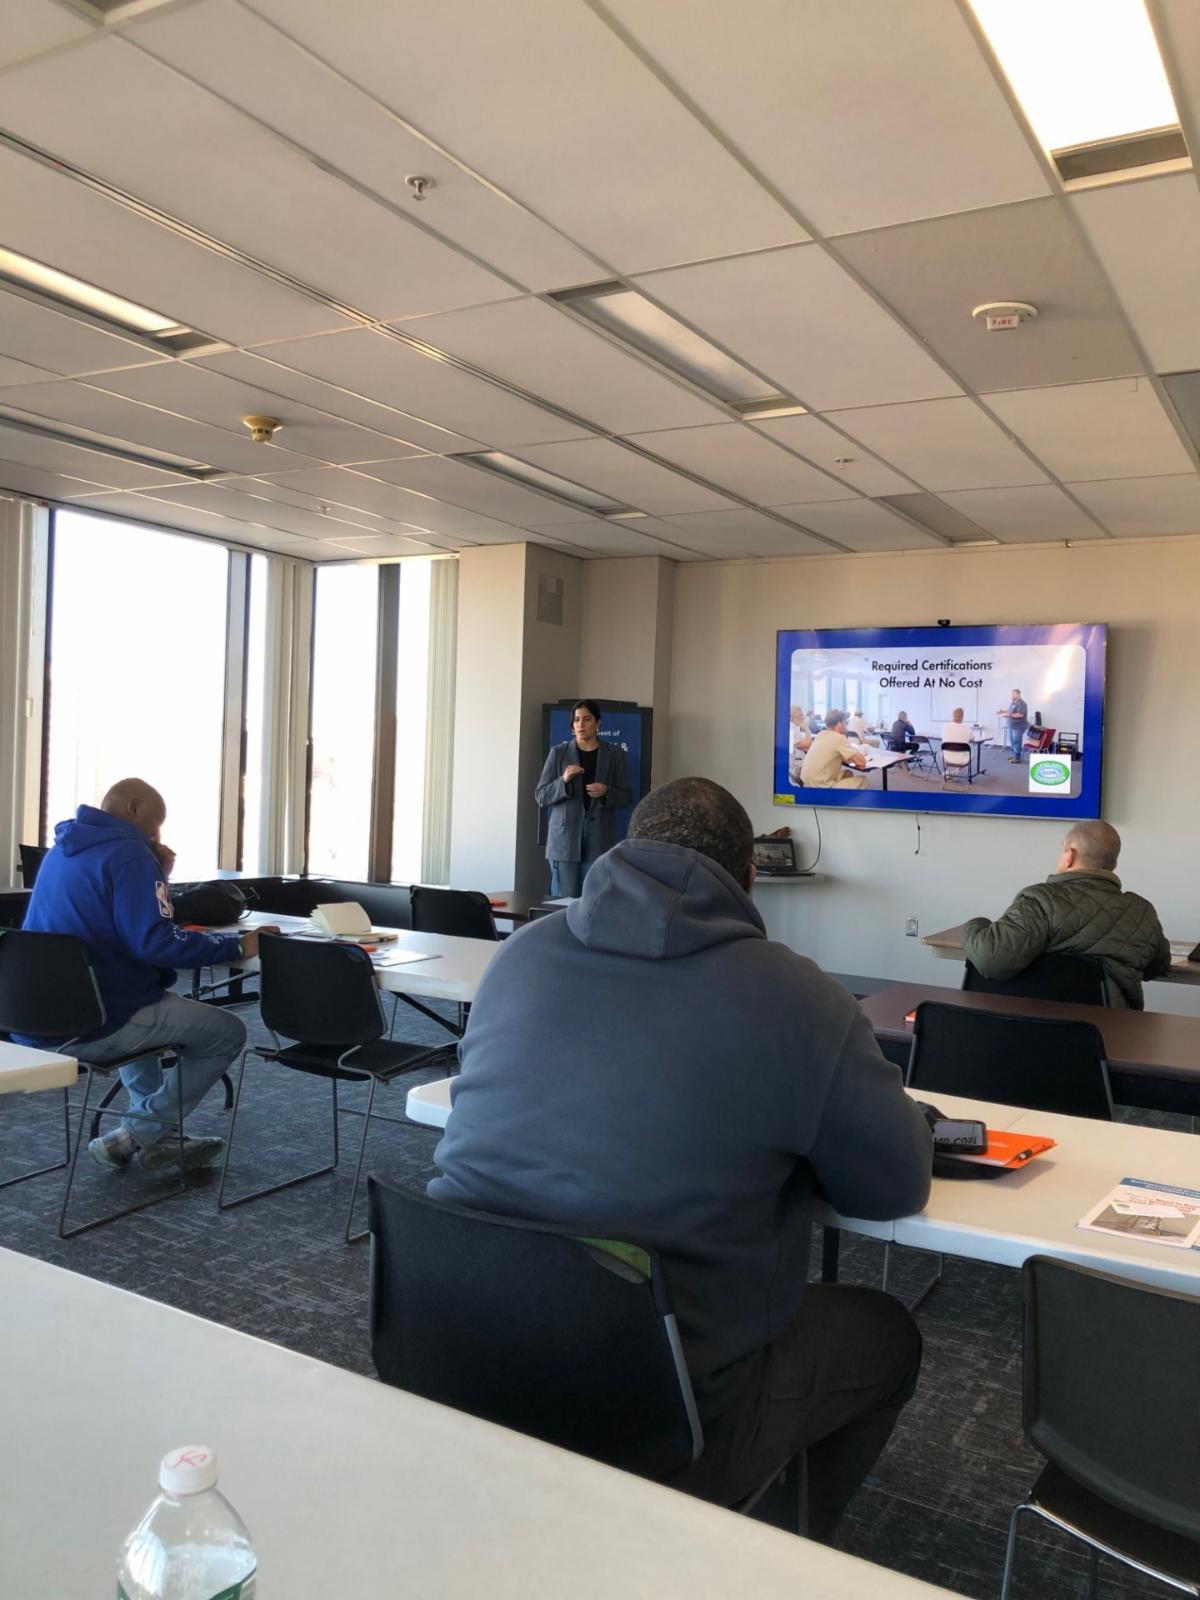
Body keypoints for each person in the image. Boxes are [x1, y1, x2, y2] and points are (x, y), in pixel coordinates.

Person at [431, 778, 931, 1536]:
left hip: (459, 1353)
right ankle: (771, 1555)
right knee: (887, 1336)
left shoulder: (519, 955)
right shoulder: (800, 996)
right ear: (749, 878)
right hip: (660, 1403)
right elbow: (892, 1187)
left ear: (625, 850)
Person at [14, 778, 273, 1170]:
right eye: (157, 822)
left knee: (151, 1007)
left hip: (37, 1017)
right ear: (133, 808)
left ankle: (160, 1139)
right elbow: (154, 943)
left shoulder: (63, 849)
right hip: (96, 1017)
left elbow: (124, 922)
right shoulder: (130, 853)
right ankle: (134, 1134)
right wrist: (237, 947)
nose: (157, 833)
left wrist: (160, 875)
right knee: (227, 1033)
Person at [962, 820, 1171, 1008]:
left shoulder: (1039, 901)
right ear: (1114, 865)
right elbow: (1156, 967)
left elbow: (991, 961)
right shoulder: (1142, 911)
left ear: (1069, 855)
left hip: (1035, 1028)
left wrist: (975, 925)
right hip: (1111, 1032)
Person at [535, 699, 632, 897]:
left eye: (587, 719)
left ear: (598, 723)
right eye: (576, 720)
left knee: (594, 899)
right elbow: (541, 795)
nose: (580, 724)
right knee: (564, 902)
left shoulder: (615, 755)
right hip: (565, 841)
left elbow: (626, 797)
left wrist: (606, 792)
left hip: (599, 839)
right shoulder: (558, 753)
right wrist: (563, 780)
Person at [801, 709, 868, 790]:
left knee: (847, 773)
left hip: (806, 782)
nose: (846, 726)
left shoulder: (820, 734)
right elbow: (862, 762)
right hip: (821, 787)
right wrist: (855, 753)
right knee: (864, 780)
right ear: (839, 724)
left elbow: (837, 756)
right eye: (845, 723)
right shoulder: (839, 737)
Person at [998, 688, 1028, 763]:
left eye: (1013, 694)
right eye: (1012, 694)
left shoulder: (1022, 703)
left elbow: (1020, 715)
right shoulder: (1013, 703)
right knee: (1012, 742)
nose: (1012, 695)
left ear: (1018, 694)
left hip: (1018, 727)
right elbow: (1011, 711)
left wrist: (1007, 715)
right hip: (1011, 726)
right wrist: (1003, 711)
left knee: (1016, 742)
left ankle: (1017, 758)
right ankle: (1013, 755)